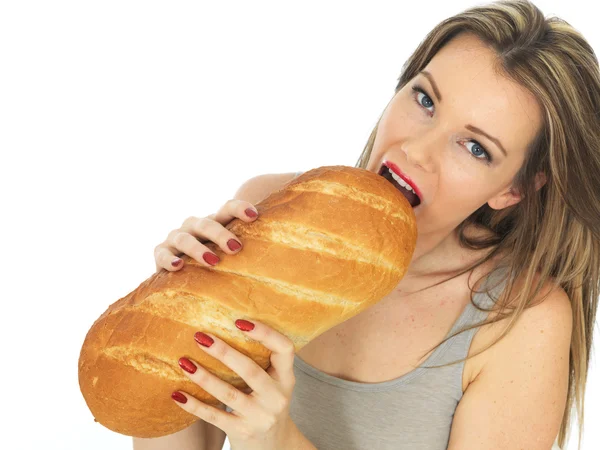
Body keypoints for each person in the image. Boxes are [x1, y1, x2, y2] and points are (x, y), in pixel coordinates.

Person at [133, 0, 600, 449]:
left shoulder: (519, 320)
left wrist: (275, 443)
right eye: (425, 99)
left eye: (475, 147)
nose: (417, 149)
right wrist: (161, 327)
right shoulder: (266, 208)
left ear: (512, 190)